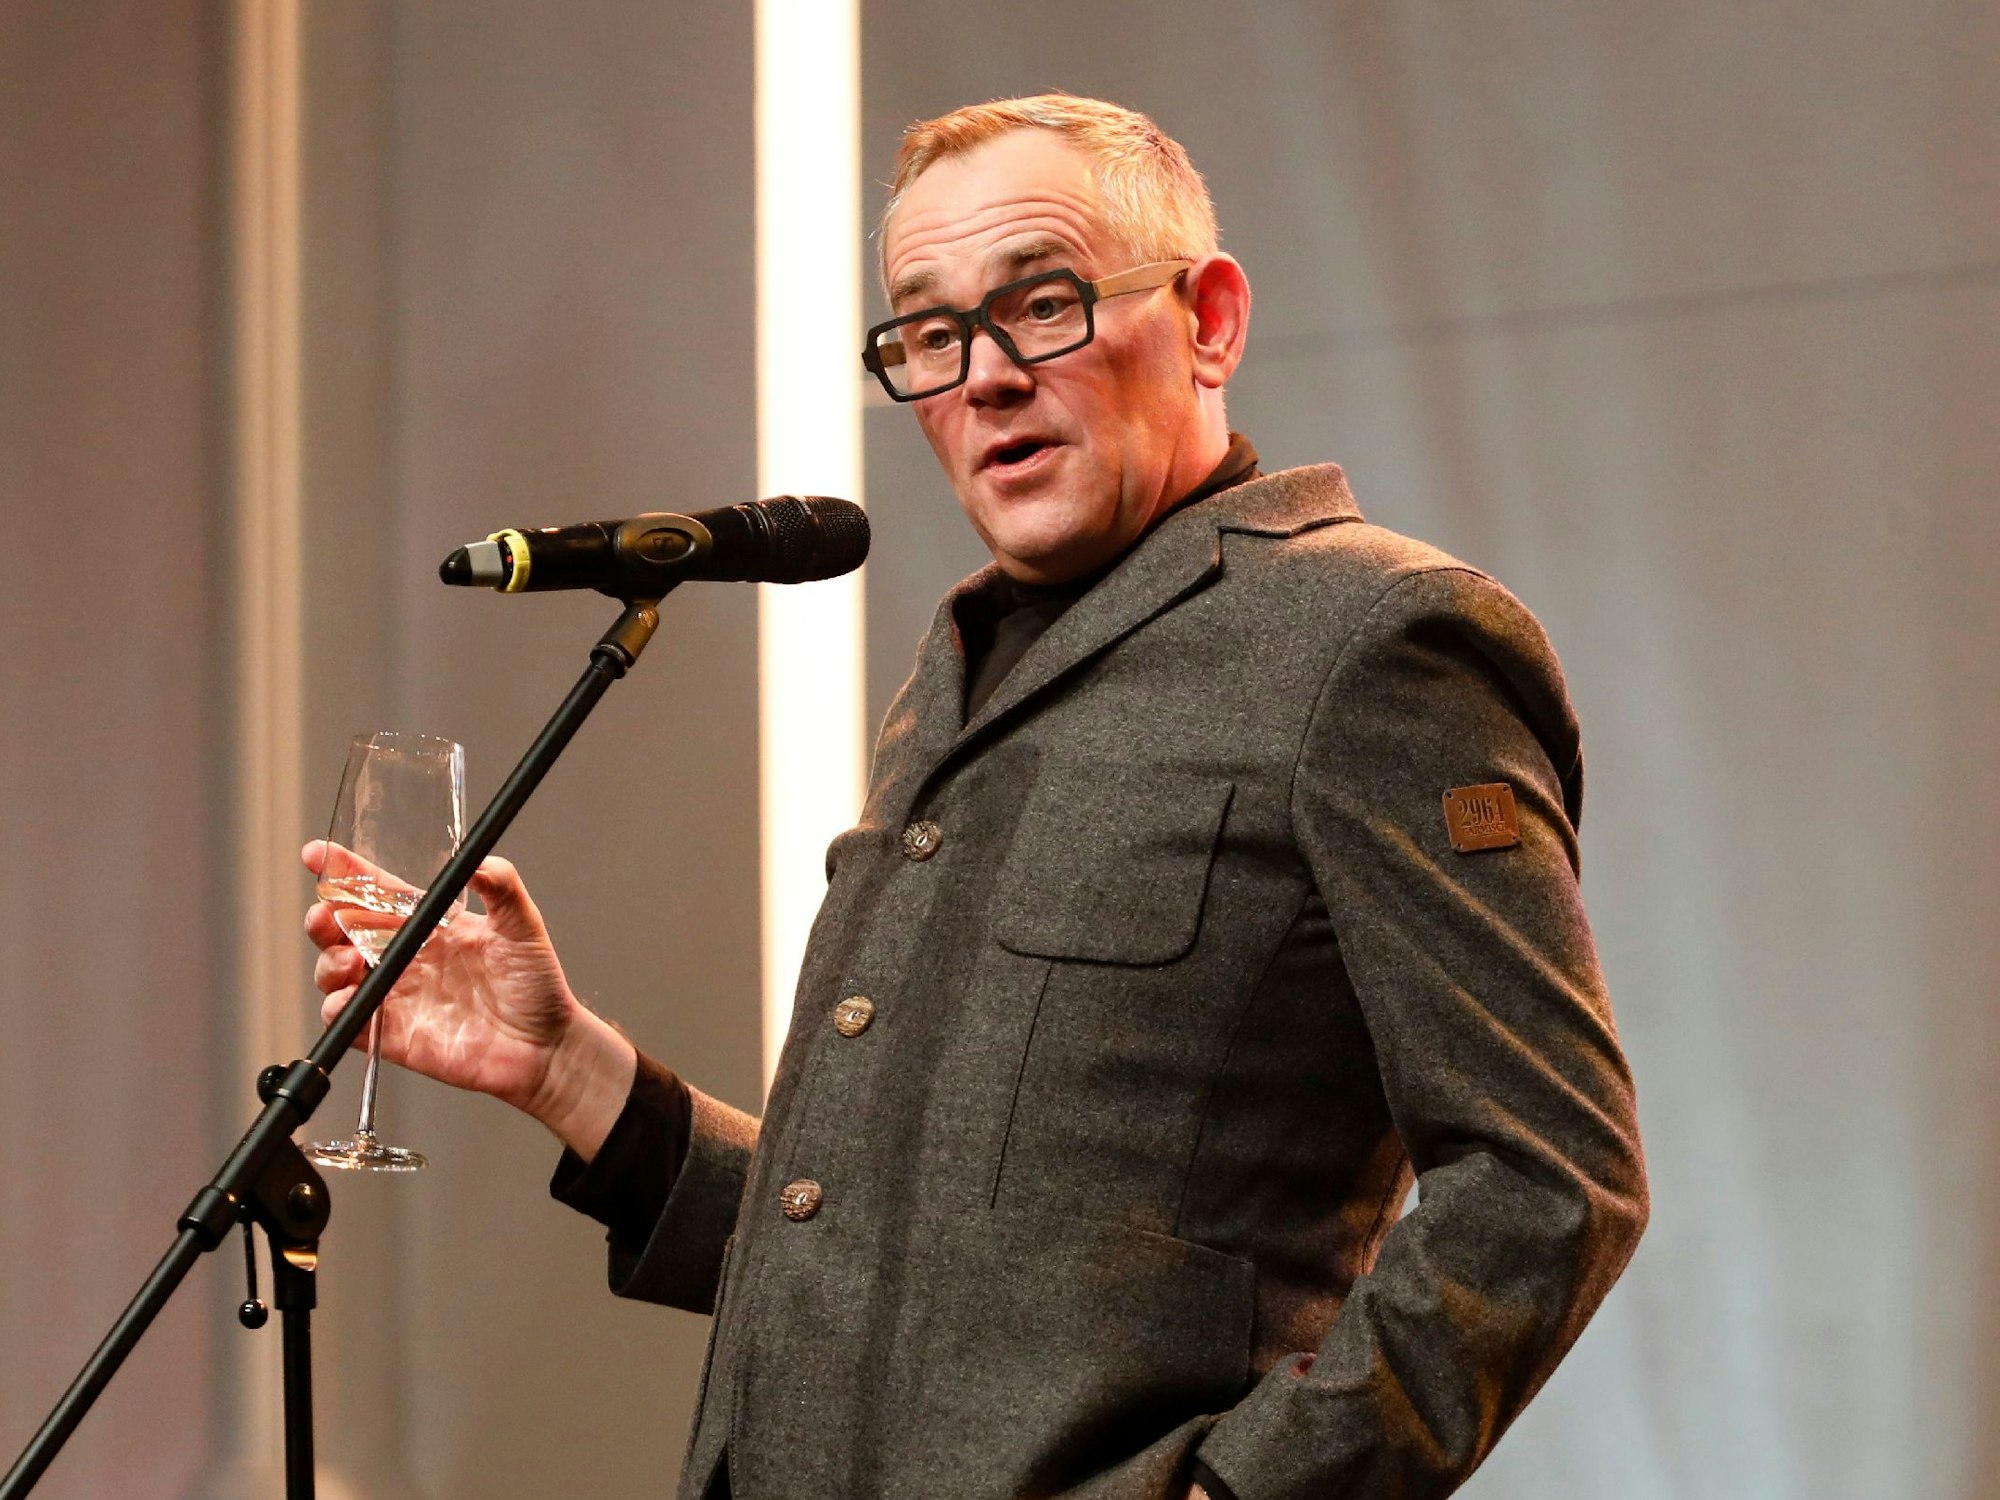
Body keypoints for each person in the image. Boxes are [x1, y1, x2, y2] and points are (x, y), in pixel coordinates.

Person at [306, 94, 1647, 1500]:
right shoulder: (954, 668)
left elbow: (1550, 1183)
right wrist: (565, 1068)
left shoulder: (1375, 640)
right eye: (929, 333)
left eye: (1044, 304)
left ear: (1211, 321)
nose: (985, 377)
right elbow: (894, 1258)